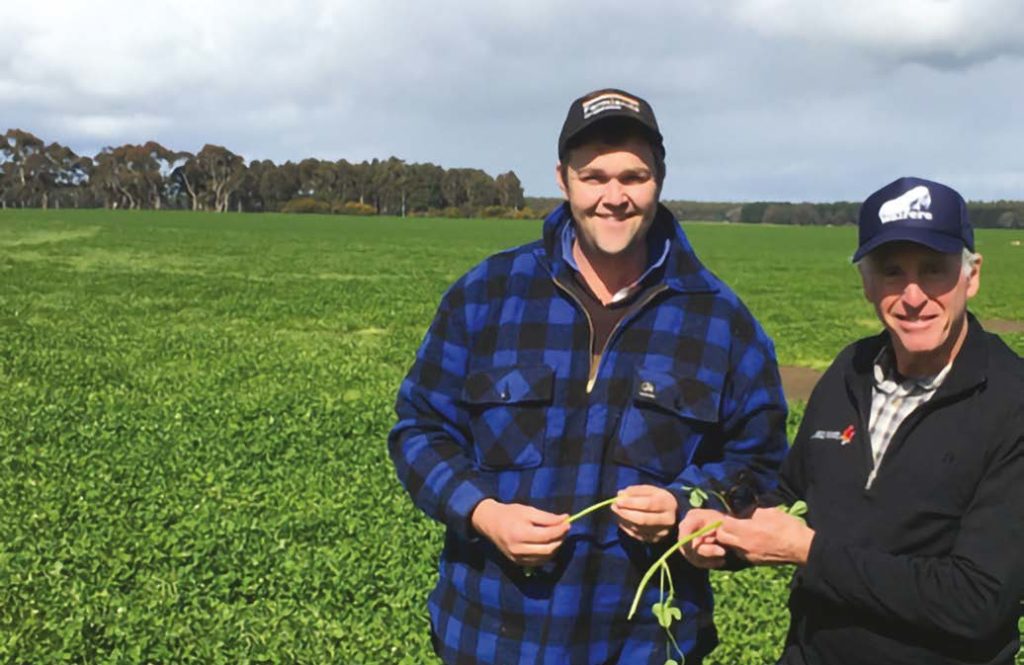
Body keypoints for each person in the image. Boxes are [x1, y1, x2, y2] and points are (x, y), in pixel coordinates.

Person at [387, 88, 788, 664]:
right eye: (594, 176)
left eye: (634, 176)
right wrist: (485, 512)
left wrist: (682, 504)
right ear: (563, 179)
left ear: (661, 179)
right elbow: (419, 429)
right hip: (489, 637)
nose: (614, 197)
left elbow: (760, 461)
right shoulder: (488, 294)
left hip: (642, 645)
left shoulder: (720, 320)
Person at [679, 176, 1024, 664]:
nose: (913, 295)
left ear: (972, 276)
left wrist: (809, 553)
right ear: (865, 281)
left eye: (933, 270)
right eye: (891, 271)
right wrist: (724, 534)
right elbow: (792, 494)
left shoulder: (1011, 401)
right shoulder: (851, 370)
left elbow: (978, 600)